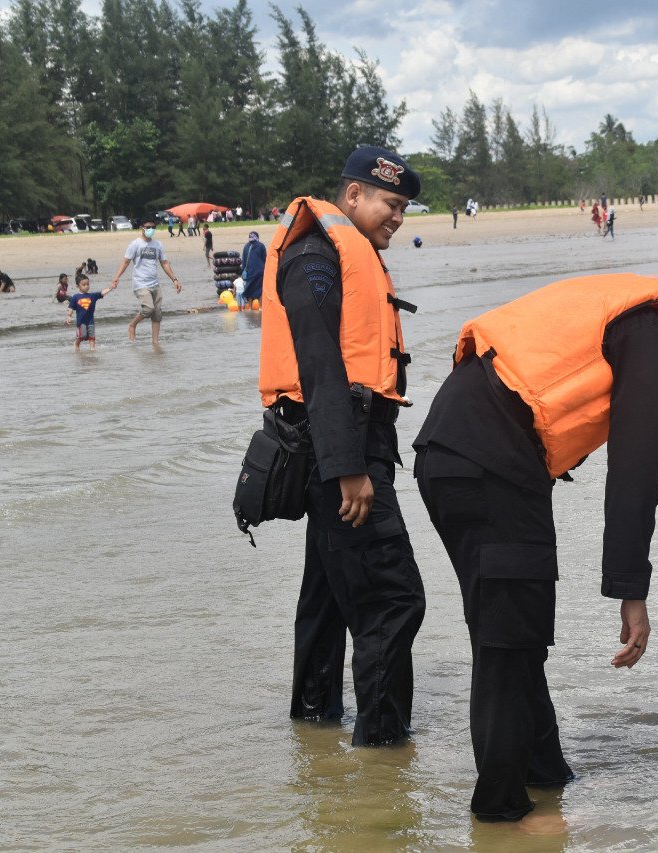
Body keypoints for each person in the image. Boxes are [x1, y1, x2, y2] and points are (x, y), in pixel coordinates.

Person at [415, 272, 658, 822]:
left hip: (473, 457)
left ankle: (546, 776)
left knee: (518, 631)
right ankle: (500, 814)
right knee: (506, 641)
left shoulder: (649, 325)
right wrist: (631, 592)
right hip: (486, 461)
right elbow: (633, 465)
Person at [259, 145, 425, 747]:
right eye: (390, 203)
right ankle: (383, 749)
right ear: (352, 195)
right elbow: (320, 365)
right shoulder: (313, 255)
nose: (398, 218)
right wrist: (348, 469)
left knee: (328, 597)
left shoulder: (344, 253)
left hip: (349, 448)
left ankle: (315, 734)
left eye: (405, 208)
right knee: (395, 599)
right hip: (341, 455)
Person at [110, 219, 182, 345]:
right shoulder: (135, 244)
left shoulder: (158, 245)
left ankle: (155, 343)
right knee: (148, 308)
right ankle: (132, 325)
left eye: (153, 227)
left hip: (155, 284)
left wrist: (174, 279)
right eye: (148, 227)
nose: (151, 229)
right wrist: (116, 277)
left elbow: (164, 263)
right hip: (140, 283)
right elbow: (126, 262)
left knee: (157, 314)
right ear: (142, 228)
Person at [65, 273, 116, 350]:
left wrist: (110, 288)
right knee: (82, 336)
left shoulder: (92, 295)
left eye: (87, 284)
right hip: (81, 322)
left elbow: (102, 292)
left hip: (90, 321)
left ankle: (92, 349)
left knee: (92, 337)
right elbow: (70, 308)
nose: (86, 286)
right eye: (84, 285)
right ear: (78, 286)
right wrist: (69, 316)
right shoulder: (75, 297)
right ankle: (76, 344)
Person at [241, 231, 266, 305]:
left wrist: (243, 271)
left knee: (249, 289)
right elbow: (265, 259)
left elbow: (244, 260)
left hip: (249, 272)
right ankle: (260, 308)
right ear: (257, 237)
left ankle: (250, 309)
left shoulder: (246, 246)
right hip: (260, 272)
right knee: (260, 289)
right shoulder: (261, 246)